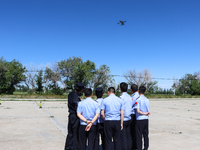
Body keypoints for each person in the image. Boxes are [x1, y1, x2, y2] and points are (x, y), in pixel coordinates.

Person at [64, 82, 84, 150]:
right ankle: (75, 148)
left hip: (71, 115)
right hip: (75, 116)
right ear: (81, 90)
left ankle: (67, 147)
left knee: (70, 133)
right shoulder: (76, 96)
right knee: (75, 133)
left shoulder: (71, 94)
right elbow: (77, 106)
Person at [135, 86, 150, 150]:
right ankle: (146, 147)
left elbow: (138, 111)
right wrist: (146, 114)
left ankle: (139, 148)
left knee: (139, 135)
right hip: (146, 119)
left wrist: (144, 113)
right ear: (145, 92)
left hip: (139, 119)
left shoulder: (138, 100)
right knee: (145, 134)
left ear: (138, 91)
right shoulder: (147, 99)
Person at [119, 82, 132, 150]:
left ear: (120, 89)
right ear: (127, 88)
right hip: (129, 118)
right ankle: (129, 148)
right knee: (128, 135)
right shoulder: (130, 97)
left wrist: (121, 122)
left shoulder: (120, 98)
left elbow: (121, 111)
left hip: (123, 119)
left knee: (123, 136)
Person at [130, 84, 139, 150]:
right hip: (137, 115)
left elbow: (130, 104)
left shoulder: (134, 96)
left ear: (131, 90)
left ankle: (134, 145)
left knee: (133, 131)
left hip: (133, 114)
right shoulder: (138, 95)